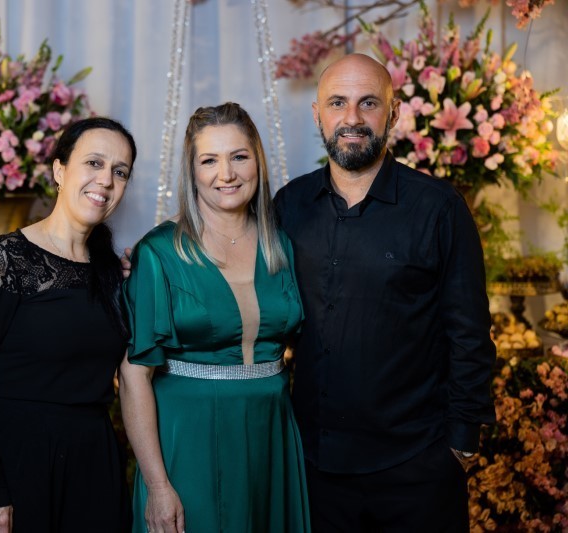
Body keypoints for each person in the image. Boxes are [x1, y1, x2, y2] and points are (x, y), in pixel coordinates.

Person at [273, 53, 496, 531]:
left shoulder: (439, 208)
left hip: (416, 466)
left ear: (393, 114)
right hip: (315, 466)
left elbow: (470, 332)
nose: (352, 118)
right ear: (317, 114)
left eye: (368, 103)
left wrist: (461, 443)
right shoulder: (289, 205)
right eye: (337, 103)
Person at [119, 102, 311, 533]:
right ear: (192, 172)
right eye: (209, 160)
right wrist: (157, 485)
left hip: (271, 434)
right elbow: (133, 378)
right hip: (189, 439)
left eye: (239, 156)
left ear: (257, 161)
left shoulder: (280, 244)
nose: (226, 174)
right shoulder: (159, 252)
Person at [0, 116, 137, 533]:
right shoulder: (3, 259)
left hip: (94, 466)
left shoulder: (115, 274)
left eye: (120, 171)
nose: (105, 180)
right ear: (59, 170)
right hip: (18, 465)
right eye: (93, 163)